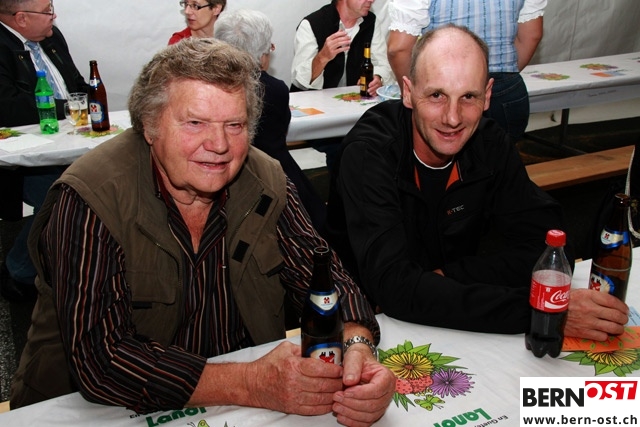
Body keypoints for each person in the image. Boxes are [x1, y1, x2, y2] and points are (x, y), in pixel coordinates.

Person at [10, 38, 396, 425]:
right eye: (195, 123)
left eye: (235, 125)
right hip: (89, 410)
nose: (220, 145)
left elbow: (324, 279)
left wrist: (358, 347)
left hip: (234, 407)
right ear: (149, 125)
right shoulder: (90, 197)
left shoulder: (265, 180)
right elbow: (102, 361)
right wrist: (250, 382)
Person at [325, 24, 630, 341]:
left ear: (487, 96)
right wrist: (539, 312)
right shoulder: (369, 154)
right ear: (408, 92)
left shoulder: (489, 143)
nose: (452, 118)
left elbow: (550, 249)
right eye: (437, 95)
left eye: (468, 96)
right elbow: (394, 290)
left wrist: (449, 276)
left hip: (452, 316)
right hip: (364, 323)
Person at [0, 0, 89, 302]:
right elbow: (8, 108)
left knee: (101, 184)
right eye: (47, 10)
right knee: (63, 198)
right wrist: (67, 108)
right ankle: (19, 270)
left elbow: (77, 83)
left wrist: (89, 101)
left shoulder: (51, 37)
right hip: (25, 159)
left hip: (73, 141)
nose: (54, 16)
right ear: (21, 18)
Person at [214, 9, 327, 234]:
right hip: (274, 176)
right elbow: (281, 131)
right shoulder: (275, 89)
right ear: (262, 53)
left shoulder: (210, 88)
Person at [386, 0, 546, 142]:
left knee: (446, 162)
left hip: (442, 91)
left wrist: (414, 93)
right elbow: (532, 35)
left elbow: (399, 49)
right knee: (501, 161)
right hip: (506, 89)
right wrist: (504, 70)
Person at [290, 0, 393, 173]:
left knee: (380, 139)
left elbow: (382, 63)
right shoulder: (312, 24)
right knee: (344, 148)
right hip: (317, 116)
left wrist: (378, 77)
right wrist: (323, 57)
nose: (372, 0)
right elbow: (300, 80)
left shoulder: (370, 22)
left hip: (353, 113)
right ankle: (342, 189)